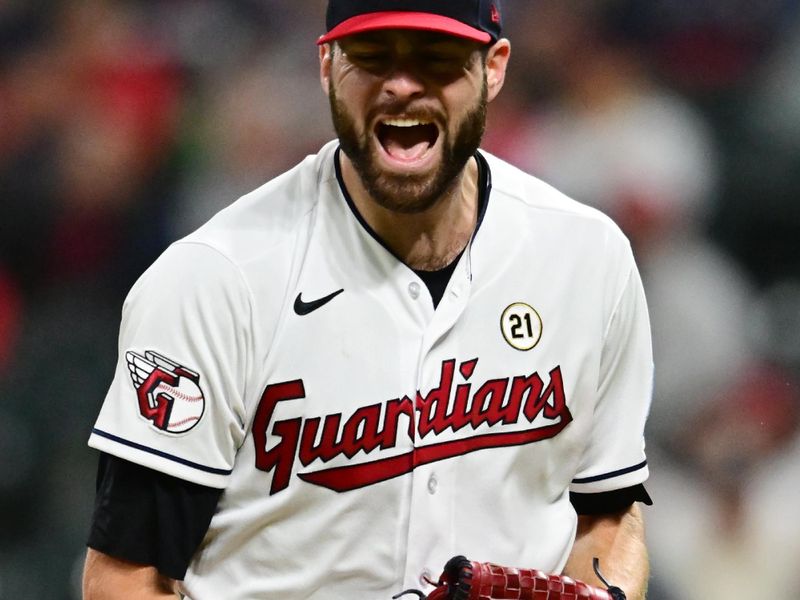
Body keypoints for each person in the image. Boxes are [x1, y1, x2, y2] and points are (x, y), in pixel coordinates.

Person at [82, 1, 654, 598]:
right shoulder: (215, 280)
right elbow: (126, 578)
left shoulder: (586, 258)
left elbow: (609, 511)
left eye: (435, 56)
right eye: (374, 56)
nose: (402, 86)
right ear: (327, 66)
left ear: (494, 67)